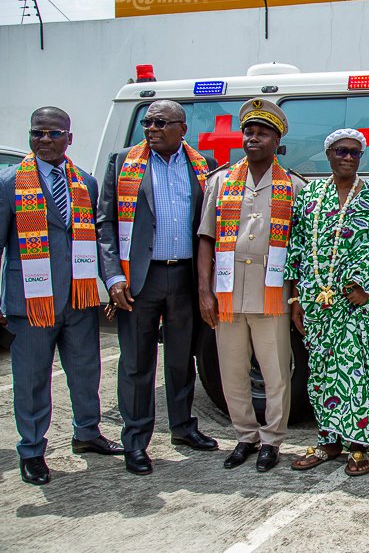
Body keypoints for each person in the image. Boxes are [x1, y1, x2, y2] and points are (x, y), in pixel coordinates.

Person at [0, 107, 124, 485]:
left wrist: (109, 284)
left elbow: (100, 239)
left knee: (86, 372)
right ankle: (32, 450)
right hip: (32, 300)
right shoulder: (9, 184)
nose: (45, 141)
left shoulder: (84, 183)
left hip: (79, 298)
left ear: (69, 138)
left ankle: (87, 434)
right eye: (38, 133)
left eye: (54, 134)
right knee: (32, 378)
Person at [96, 99, 218, 476]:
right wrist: (114, 276)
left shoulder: (204, 168)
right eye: (147, 122)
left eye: (161, 122)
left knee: (182, 360)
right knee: (136, 364)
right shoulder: (123, 163)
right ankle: (135, 441)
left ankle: (182, 428)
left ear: (182, 128)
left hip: (183, 277)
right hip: (139, 280)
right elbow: (105, 225)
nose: (151, 128)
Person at [196, 99, 305, 472]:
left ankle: (272, 441)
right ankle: (245, 436)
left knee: (276, 372)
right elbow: (206, 239)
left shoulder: (294, 186)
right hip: (227, 293)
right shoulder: (221, 181)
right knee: (232, 371)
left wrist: (296, 298)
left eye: (263, 133)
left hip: (272, 292)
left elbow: (301, 249)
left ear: (278, 141)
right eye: (249, 131)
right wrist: (204, 292)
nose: (253, 137)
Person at [284, 129, 369, 476]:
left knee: (358, 370)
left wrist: (364, 284)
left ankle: (359, 445)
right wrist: (294, 296)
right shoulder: (311, 195)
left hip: (358, 302)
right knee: (321, 372)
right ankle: (329, 441)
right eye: (341, 151)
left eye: (355, 153)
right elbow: (298, 245)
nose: (348, 158)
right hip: (317, 301)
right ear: (328, 154)